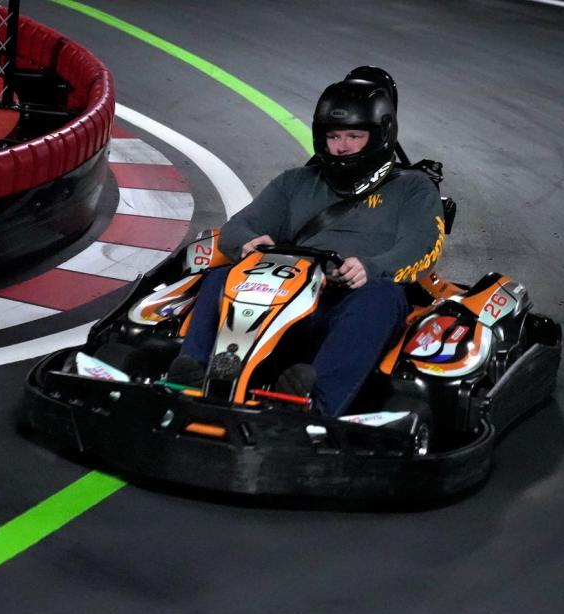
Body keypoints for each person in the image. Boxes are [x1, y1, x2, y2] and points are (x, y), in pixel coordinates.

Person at [169, 66, 446, 417]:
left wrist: (372, 268)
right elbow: (240, 226)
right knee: (221, 278)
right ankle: (193, 373)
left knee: (380, 297)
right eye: (334, 137)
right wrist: (248, 244)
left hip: (349, 303)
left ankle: (317, 404)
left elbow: (424, 247)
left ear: (378, 136)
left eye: (353, 136)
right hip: (285, 299)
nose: (342, 147)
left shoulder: (412, 188)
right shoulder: (296, 182)